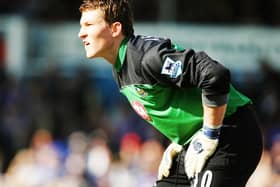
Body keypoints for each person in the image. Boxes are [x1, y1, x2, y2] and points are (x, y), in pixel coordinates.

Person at [78, 0, 263, 186]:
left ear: (115, 29)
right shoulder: (120, 68)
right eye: (81, 26)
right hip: (195, 141)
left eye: (88, 25)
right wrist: (177, 141)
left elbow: (214, 75)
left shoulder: (146, 57)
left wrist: (209, 134)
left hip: (231, 132)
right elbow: (175, 103)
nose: (81, 33)